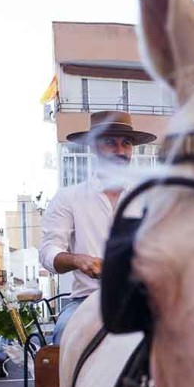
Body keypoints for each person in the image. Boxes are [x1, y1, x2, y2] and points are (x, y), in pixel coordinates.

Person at [39, 111, 156, 343]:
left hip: (142, 298)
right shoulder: (68, 197)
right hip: (87, 300)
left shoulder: (150, 198)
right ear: (93, 147)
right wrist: (78, 260)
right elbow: (48, 252)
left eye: (126, 143)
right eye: (110, 143)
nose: (120, 151)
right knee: (62, 335)